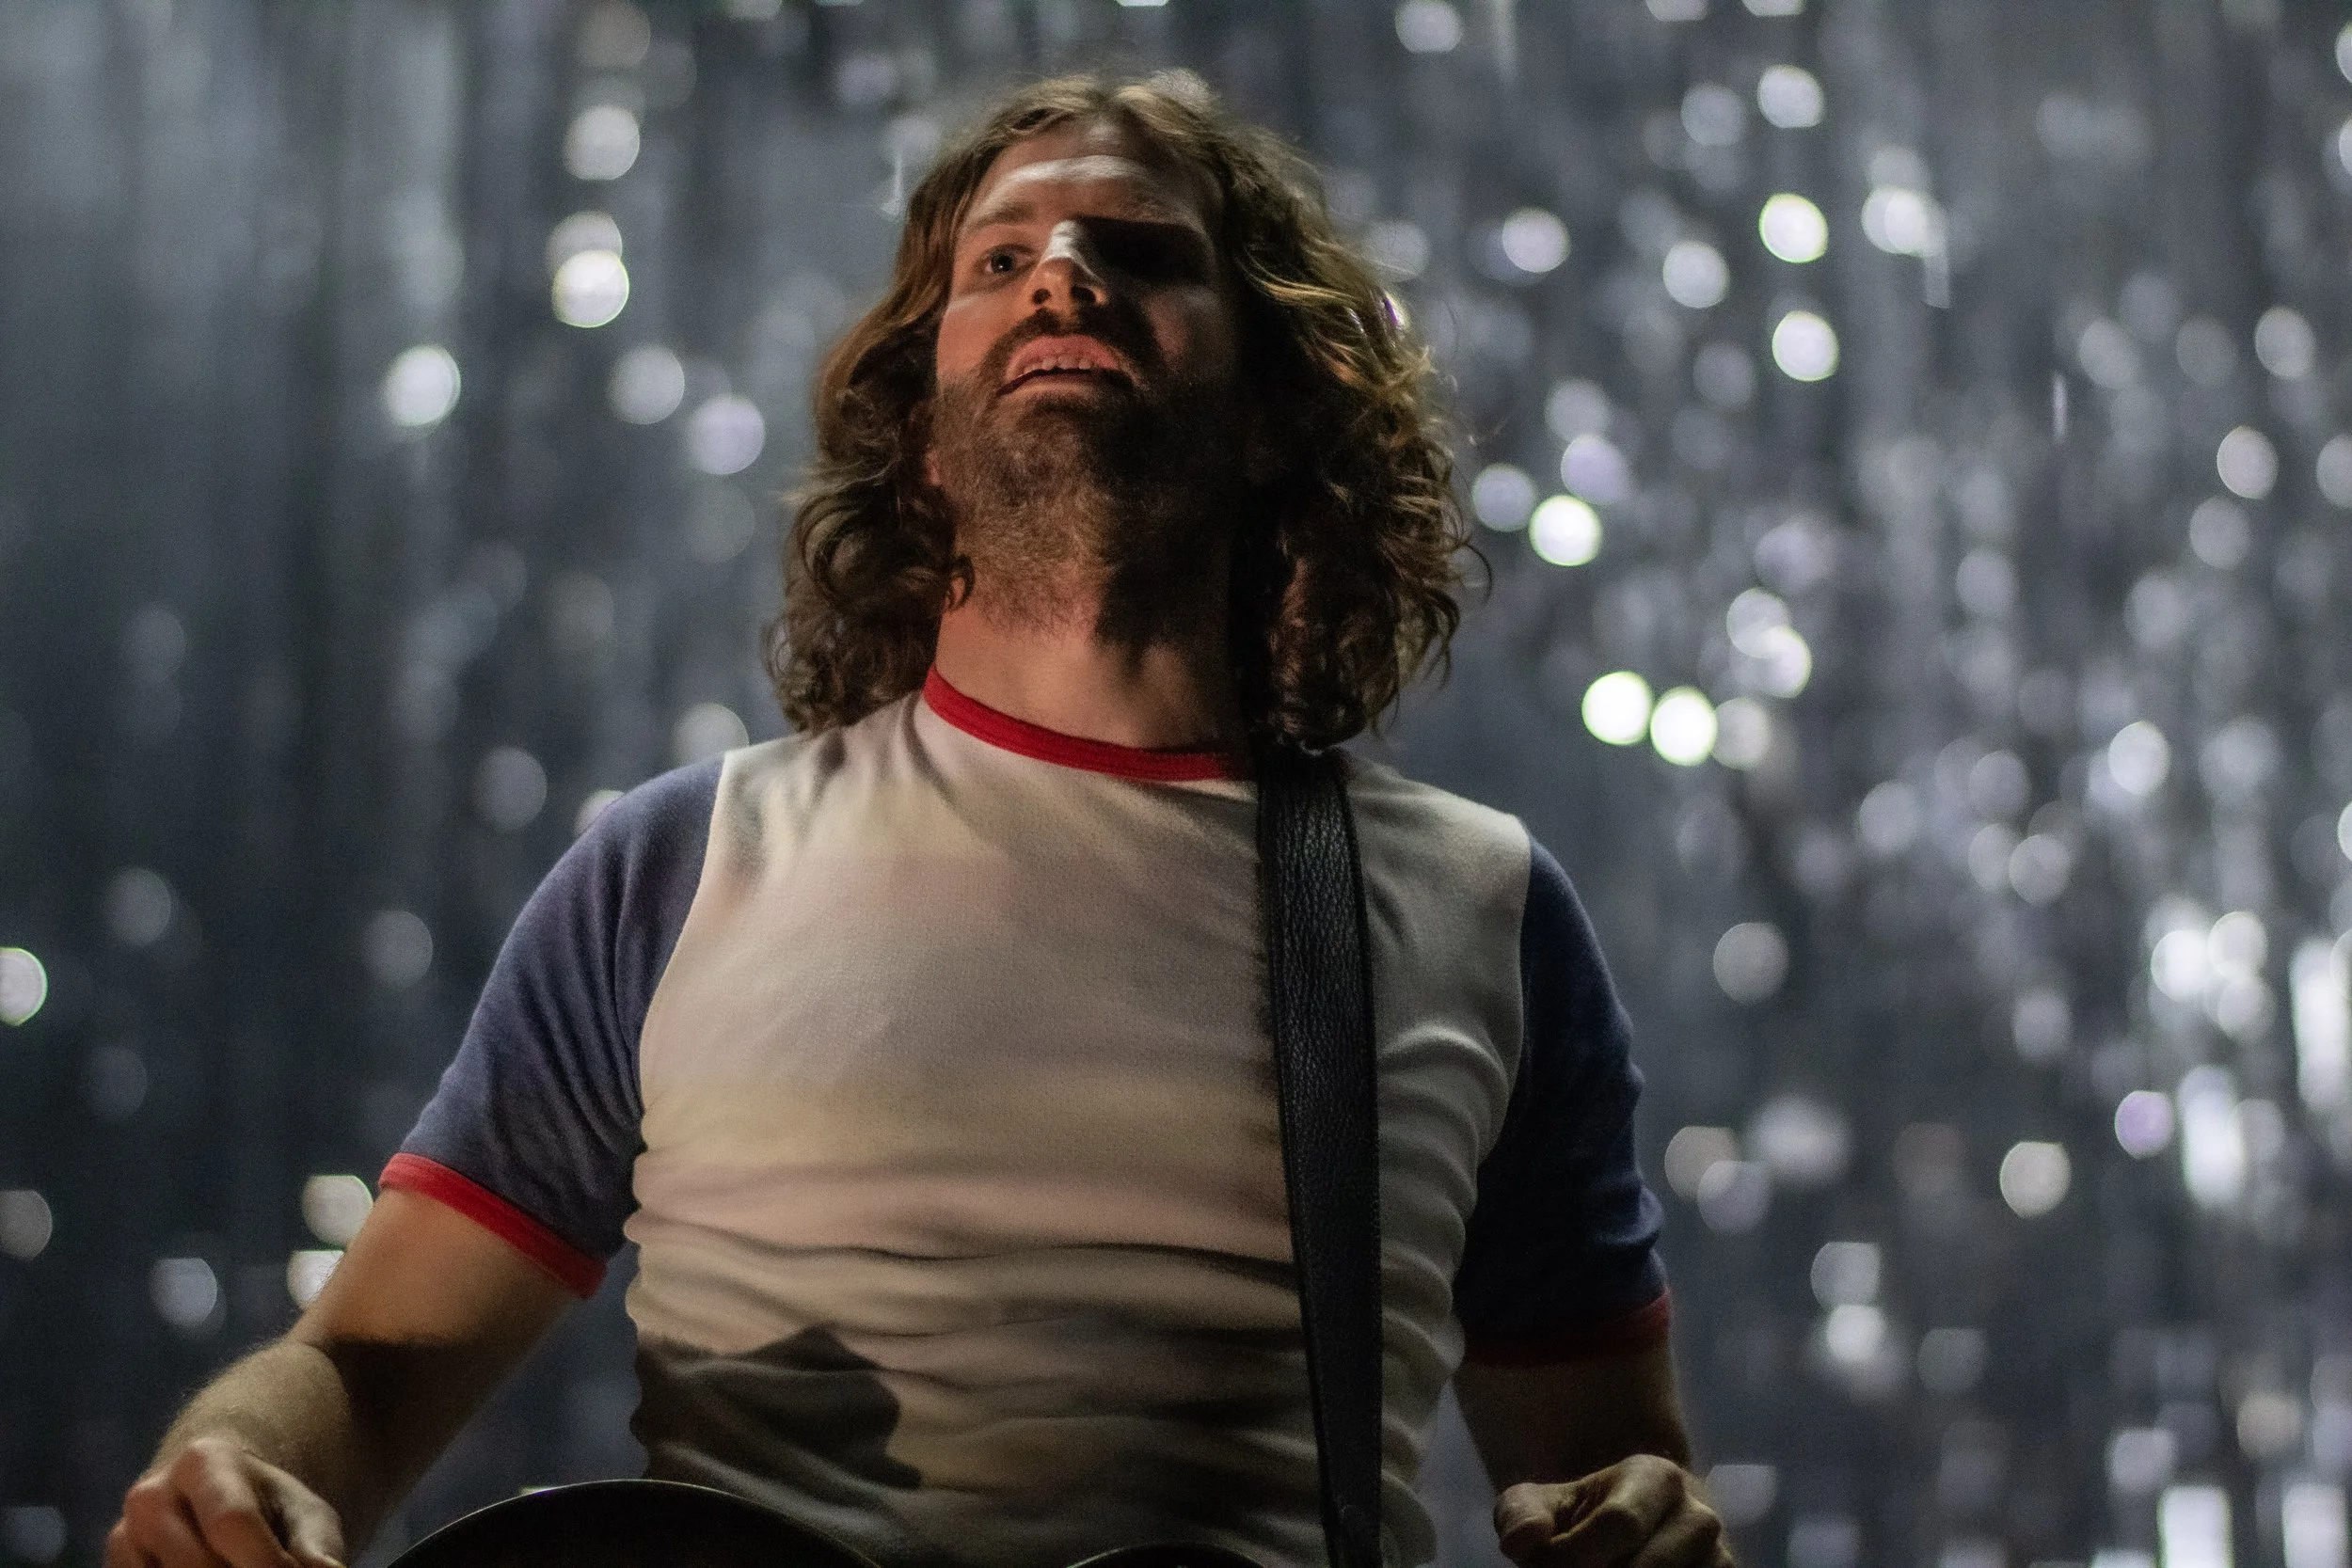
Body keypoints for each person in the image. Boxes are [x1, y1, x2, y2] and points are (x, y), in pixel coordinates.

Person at [109, 72, 1727, 1568]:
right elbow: (365, 1365)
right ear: (923, 436)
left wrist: (1646, 1519)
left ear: (1273, 412)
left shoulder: (1483, 905)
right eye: (999, 259)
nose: (1061, 275)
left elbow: (1613, 1468)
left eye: (1138, 250)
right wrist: (242, 1463)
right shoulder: (677, 866)